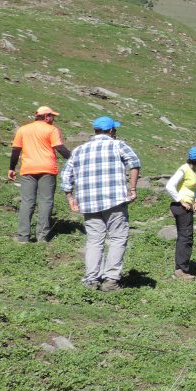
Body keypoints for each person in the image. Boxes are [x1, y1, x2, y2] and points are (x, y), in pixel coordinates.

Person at [60, 116, 141, 292]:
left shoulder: (79, 150)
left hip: (88, 203)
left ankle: (91, 279)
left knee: (94, 240)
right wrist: (132, 188)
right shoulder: (117, 145)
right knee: (117, 238)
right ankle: (111, 280)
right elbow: (134, 163)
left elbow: (66, 175)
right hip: (114, 200)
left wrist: (70, 198)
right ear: (111, 131)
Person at [9, 105, 72, 244]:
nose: (53, 119)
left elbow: (15, 150)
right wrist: (74, 159)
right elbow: (60, 148)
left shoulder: (23, 129)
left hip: (28, 170)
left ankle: (23, 237)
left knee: (27, 202)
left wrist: (11, 168)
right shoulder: (51, 130)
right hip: (47, 170)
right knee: (46, 201)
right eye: (52, 116)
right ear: (46, 116)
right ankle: (42, 236)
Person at [166, 146, 196, 281]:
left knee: (186, 236)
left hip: (187, 206)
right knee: (185, 237)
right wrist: (180, 200)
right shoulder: (184, 169)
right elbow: (169, 186)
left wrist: (195, 200)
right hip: (181, 207)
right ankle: (181, 270)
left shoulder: (193, 170)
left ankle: (181, 267)